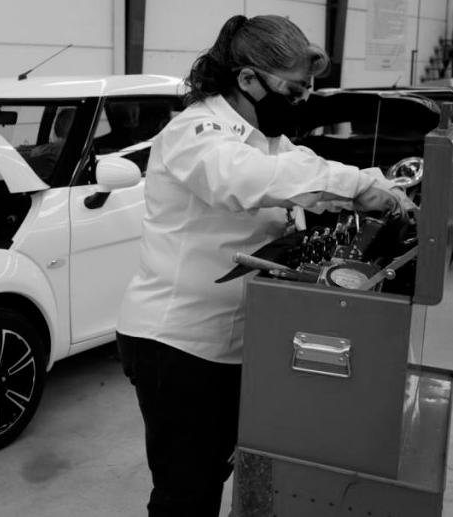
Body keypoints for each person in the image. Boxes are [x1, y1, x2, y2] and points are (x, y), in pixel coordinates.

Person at [115, 15, 415, 516]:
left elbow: (302, 169)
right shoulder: (195, 132)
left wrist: (379, 186)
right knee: (185, 493)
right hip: (178, 344)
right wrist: (357, 187)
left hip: (240, 338)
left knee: (222, 467)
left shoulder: (264, 136)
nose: (300, 102)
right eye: (293, 90)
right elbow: (245, 179)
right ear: (248, 79)